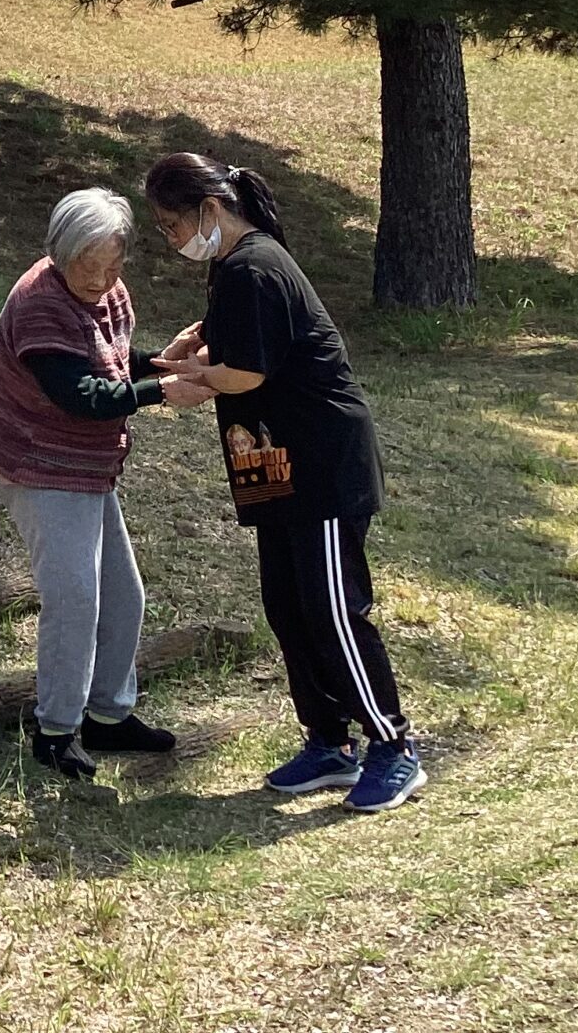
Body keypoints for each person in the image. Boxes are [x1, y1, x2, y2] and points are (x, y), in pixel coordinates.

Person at [146, 152, 425, 814]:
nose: (171, 238)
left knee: (332, 610)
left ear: (210, 209)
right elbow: (237, 347)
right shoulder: (232, 269)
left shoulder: (255, 265)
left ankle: (393, 746)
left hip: (321, 465)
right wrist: (188, 354)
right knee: (288, 606)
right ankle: (328, 741)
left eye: (172, 224)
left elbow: (246, 373)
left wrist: (191, 383)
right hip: (275, 466)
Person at [0, 186, 196, 781]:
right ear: (58, 253)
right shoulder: (39, 304)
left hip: (88, 468)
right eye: (88, 268)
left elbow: (110, 364)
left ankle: (107, 716)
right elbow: (80, 394)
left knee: (124, 597)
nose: (101, 281)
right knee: (75, 599)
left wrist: (162, 361)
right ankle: (55, 732)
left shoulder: (109, 295)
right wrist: (161, 391)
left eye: (113, 267)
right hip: (39, 466)